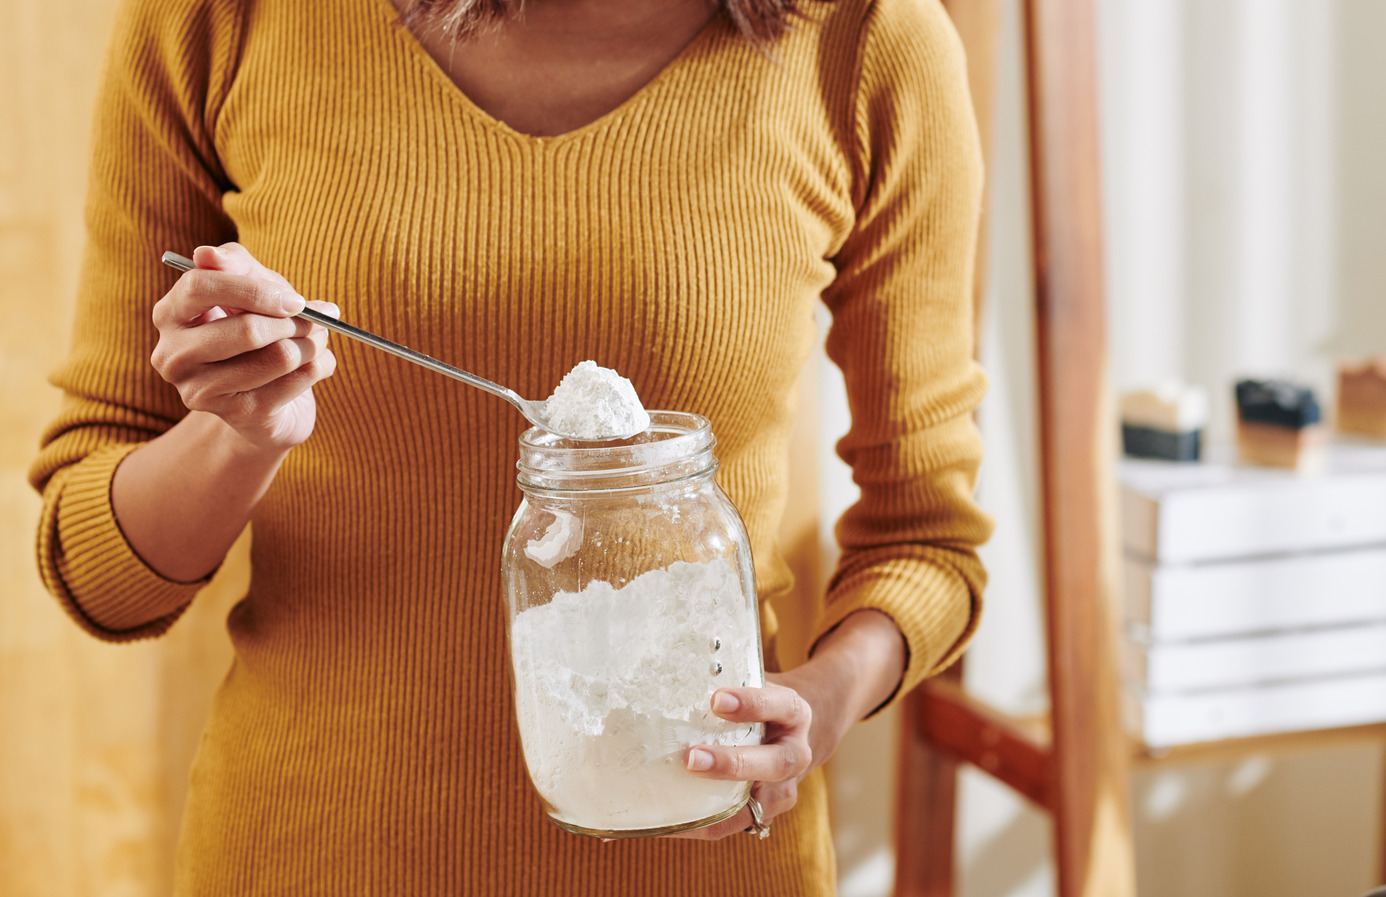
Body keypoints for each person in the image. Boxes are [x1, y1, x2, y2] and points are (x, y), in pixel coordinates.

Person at [29, 0, 990, 891]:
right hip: (314, 850)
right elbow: (102, 578)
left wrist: (816, 706)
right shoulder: (219, 21)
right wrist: (240, 437)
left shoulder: (868, 41)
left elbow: (927, 542)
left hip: (702, 863)